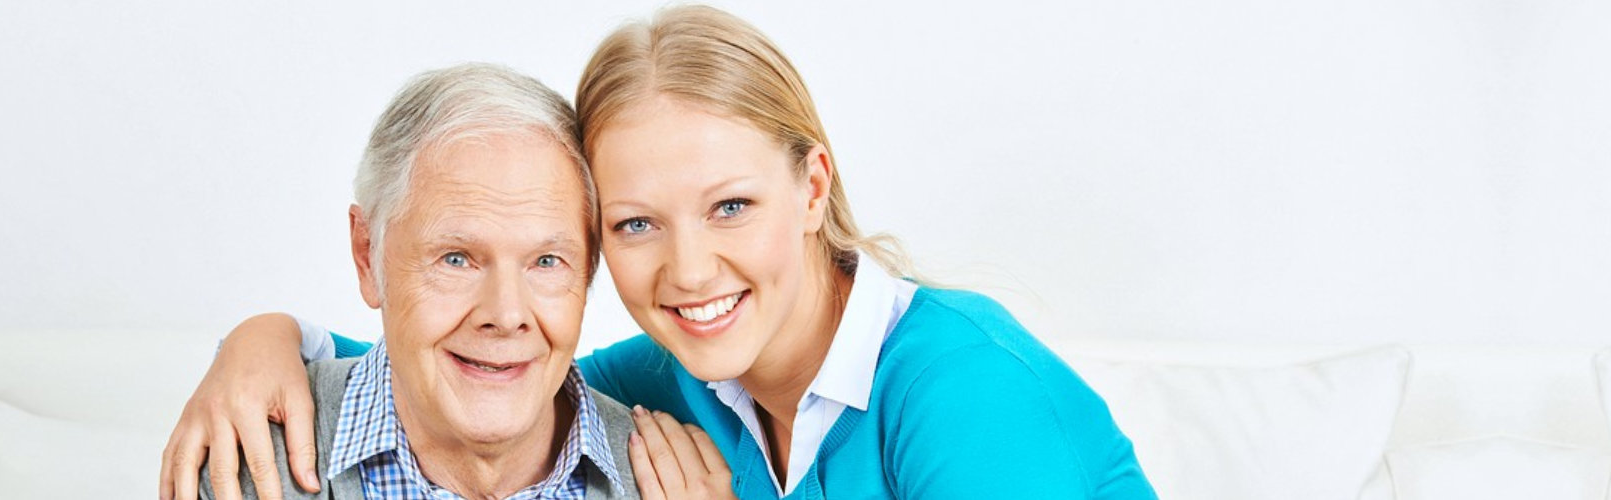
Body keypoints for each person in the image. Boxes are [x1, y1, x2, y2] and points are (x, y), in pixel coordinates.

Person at [168, 6, 1158, 499]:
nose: (687, 273)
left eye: (730, 204)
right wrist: (266, 340)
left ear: (813, 188)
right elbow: (472, 364)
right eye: (637, 223)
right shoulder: (678, 375)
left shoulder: (966, 388)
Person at [185, 63, 649, 500]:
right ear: (368, 255)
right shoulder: (246, 459)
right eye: (456, 259)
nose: (507, 316)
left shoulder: (672, 476)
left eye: (547, 261)